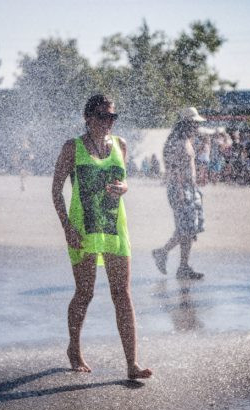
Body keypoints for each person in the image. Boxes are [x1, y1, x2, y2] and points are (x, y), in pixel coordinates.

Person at [52, 94, 152, 380]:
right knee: (85, 293)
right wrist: (67, 227)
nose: (107, 122)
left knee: (122, 293)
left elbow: (123, 180)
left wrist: (124, 188)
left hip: (115, 228)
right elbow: (56, 190)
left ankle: (132, 364)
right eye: (101, 116)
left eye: (112, 117)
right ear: (88, 117)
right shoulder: (73, 148)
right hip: (83, 228)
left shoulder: (120, 145)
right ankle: (74, 349)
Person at [152, 107, 205, 279]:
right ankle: (164, 253)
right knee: (185, 229)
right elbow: (174, 168)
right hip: (180, 189)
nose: (197, 127)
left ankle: (183, 266)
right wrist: (182, 191)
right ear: (187, 124)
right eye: (195, 123)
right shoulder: (177, 141)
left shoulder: (185, 139)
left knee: (189, 229)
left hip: (189, 189)